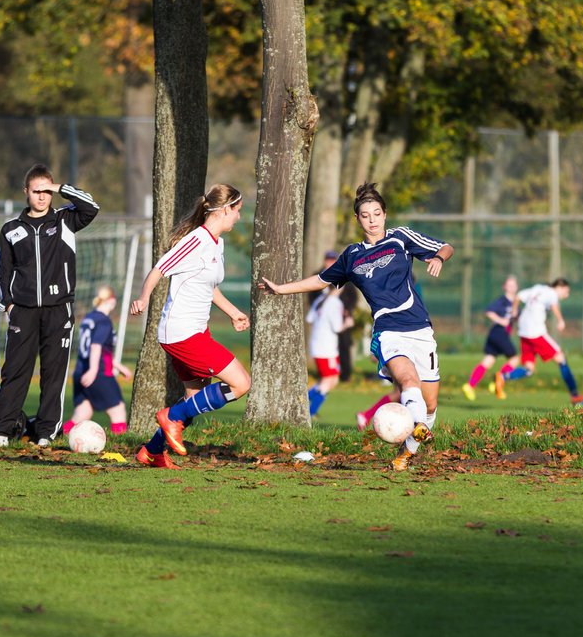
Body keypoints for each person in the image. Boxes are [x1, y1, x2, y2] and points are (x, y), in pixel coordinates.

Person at [263, 182, 454, 471]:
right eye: (365, 215)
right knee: (407, 381)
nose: (372, 219)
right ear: (357, 219)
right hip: (388, 330)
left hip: (420, 329)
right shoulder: (352, 256)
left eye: (377, 213)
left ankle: (407, 452)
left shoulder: (400, 238)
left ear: (385, 214)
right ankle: (415, 428)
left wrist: (439, 258)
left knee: (429, 405)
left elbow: (445, 247)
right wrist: (281, 289)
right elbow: (321, 280)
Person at [130, 184, 251, 466]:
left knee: (193, 402)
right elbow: (159, 269)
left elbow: (209, 288)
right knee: (241, 383)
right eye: (237, 211)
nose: (238, 217)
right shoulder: (195, 240)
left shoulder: (216, 243)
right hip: (181, 332)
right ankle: (170, 417)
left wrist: (234, 313)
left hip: (194, 330)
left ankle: (152, 452)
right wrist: (143, 297)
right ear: (224, 210)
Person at [0, 166, 99, 447]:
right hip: (22, 311)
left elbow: (92, 206)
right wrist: (8, 305)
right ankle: (0, 431)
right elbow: (3, 269)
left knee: (53, 373)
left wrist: (59, 187)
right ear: (26, 192)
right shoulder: (11, 230)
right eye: (36, 191)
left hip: (58, 310)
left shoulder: (65, 220)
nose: (42, 197)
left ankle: (46, 433)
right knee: (14, 371)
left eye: (46, 191)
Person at [62, 284, 133, 437]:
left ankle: (58, 435)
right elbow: (95, 347)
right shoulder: (104, 321)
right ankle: (119, 444)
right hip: (98, 372)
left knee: (83, 413)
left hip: (81, 370)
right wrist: (94, 371)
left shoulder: (89, 318)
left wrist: (119, 367)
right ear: (112, 300)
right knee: (118, 410)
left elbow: (101, 350)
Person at [499, 278, 582, 403]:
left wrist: (515, 310)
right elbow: (554, 305)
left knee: (529, 369)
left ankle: (503, 376)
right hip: (536, 332)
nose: (567, 295)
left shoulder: (538, 288)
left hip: (523, 330)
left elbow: (518, 296)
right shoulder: (552, 293)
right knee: (561, 358)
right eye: (566, 291)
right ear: (560, 287)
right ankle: (575, 395)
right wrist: (560, 320)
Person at [462, 275, 520, 401]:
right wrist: (501, 320)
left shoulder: (515, 303)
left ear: (517, 287)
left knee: (488, 360)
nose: (511, 288)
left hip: (496, 335)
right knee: (515, 359)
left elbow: (517, 318)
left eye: (513, 285)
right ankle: (497, 382)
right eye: (509, 285)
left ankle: (470, 385)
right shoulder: (502, 301)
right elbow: (489, 311)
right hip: (499, 333)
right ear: (504, 287)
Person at [306, 284, 353, 417]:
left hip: (318, 345)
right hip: (327, 348)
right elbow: (338, 328)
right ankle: (309, 411)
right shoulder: (335, 303)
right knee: (329, 381)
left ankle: (305, 405)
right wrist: (347, 323)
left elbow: (309, 319)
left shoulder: (320, 299)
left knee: (331, 380)